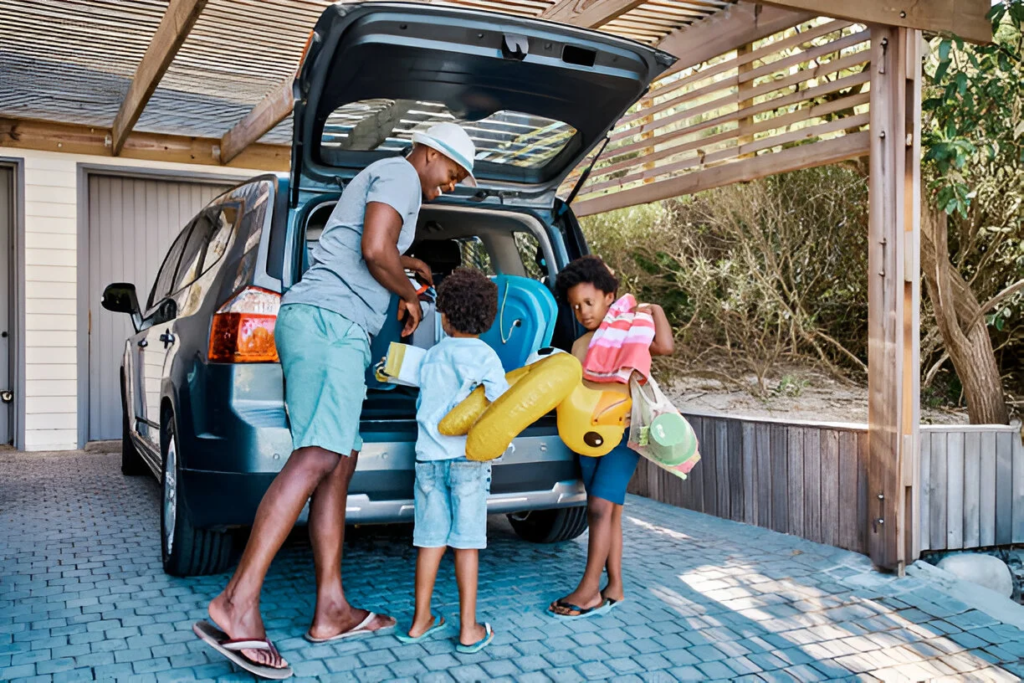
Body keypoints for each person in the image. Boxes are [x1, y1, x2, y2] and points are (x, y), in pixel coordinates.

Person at [194, 123, 478, 679]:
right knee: (318, 456)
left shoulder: (393, 181)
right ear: (428, 153)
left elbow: (379, 247)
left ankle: (331, 609)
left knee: (337, 464)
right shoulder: (399, 172)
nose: (446, 189)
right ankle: (237, 599)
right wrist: (410, 296)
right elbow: (375, 248)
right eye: (449, 176)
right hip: (332, 326)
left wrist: (412, 268)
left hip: (329, 327)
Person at [549, 256, 674, 619]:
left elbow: (664, 347)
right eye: (575, 306)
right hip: (588, 435)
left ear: (609, 296)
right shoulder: (580, 344)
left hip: (622, 432)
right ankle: (614, 588)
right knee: (609, 512)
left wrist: (656, 309)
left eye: (589, 302)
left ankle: (588, 591)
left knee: (600, 508)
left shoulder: (630, 334)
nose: (582, 311)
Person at [396, 267, 507, 654]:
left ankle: (420, 619)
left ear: (443, 317)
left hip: (428, 460)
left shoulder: (432, 356)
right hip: (467, 463)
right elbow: (501, 405)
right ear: (488, 319)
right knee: (467, 544)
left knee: (429, 541)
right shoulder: (488, 357)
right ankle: (468, 628)